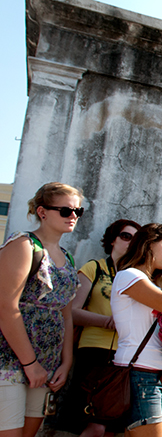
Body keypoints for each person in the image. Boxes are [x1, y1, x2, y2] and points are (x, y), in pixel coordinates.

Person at [0, 182, 84, 437]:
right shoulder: (24, 245)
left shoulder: (67, 257)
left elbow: (65, 314)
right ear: (42, 211)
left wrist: (66, 362)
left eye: (77, 212)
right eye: (66, 210)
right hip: (11, 360)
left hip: (46, 364)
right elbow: (6, 307)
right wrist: (30, 363)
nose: (73, 217)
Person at [111, 223, 162, 437]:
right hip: (142, 374)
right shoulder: (128, 275)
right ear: (148, 243)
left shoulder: (149, 284)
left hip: (158, 375)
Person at [68, 219, 141, 437]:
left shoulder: (140, 277)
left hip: (126, 356)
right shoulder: (95, 268)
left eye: (136, 239)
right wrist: (108, 322)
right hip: (94, 353)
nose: (130, 242)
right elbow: (72, 311)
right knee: (94, 426)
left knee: (113, 427)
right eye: (125, 236)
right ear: (112, 240)